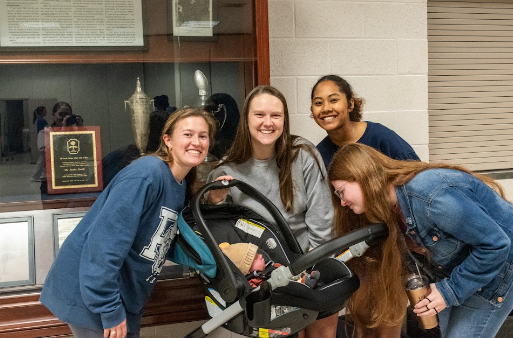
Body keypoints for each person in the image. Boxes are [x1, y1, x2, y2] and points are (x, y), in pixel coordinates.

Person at [39, 107, 217, 338]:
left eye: (202, 136)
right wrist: (109, 309)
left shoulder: (180, 183)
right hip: (91, 297)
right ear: (168, 140)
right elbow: (104, 245)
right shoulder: (147, 174)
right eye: (188, 134)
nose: (196, 142)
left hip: (120, 297)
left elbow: (162, 243)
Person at [328, 142, 513, 338]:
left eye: (341, 191)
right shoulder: (390, 209)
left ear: (361, 176)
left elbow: (496, 245)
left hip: (502, 265)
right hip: (463, 268)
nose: (342, 202)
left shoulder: (429, 197)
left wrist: (449, 291)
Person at [207, 85, 337, 338]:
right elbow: (224, 238)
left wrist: (308, 273)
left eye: (275, 116)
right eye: (259, 115)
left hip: (311, 265)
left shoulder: (304, 155)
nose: (268, 123)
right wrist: (216, 201)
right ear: (246, 120)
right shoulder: (226, 170)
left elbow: (322, 225)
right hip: (261, 280)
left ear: (284, 120)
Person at [310, 74, 419, 167]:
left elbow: (418, 173)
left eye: (333, 100)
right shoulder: (319, 155)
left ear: (350, 104)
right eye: (318, 103)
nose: (326, 108)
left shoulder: (380, 137)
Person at [219, 242, 321, 289]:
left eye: (258, 253)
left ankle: (305, 278)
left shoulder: (269, 267)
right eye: (255, 258)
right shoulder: (255, 281)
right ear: (248, 269)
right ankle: (305, 283)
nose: (260, 255)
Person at [30, 106, 48, 181]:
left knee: (43, 160)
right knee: (41, 161)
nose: (46, 112)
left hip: (42, 140)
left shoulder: (39, 120)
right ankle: (35, 176)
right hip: (43, 141)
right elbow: (45, 131)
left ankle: (43, 175)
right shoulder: (41, 120)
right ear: (42, 112)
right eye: (45, 110)